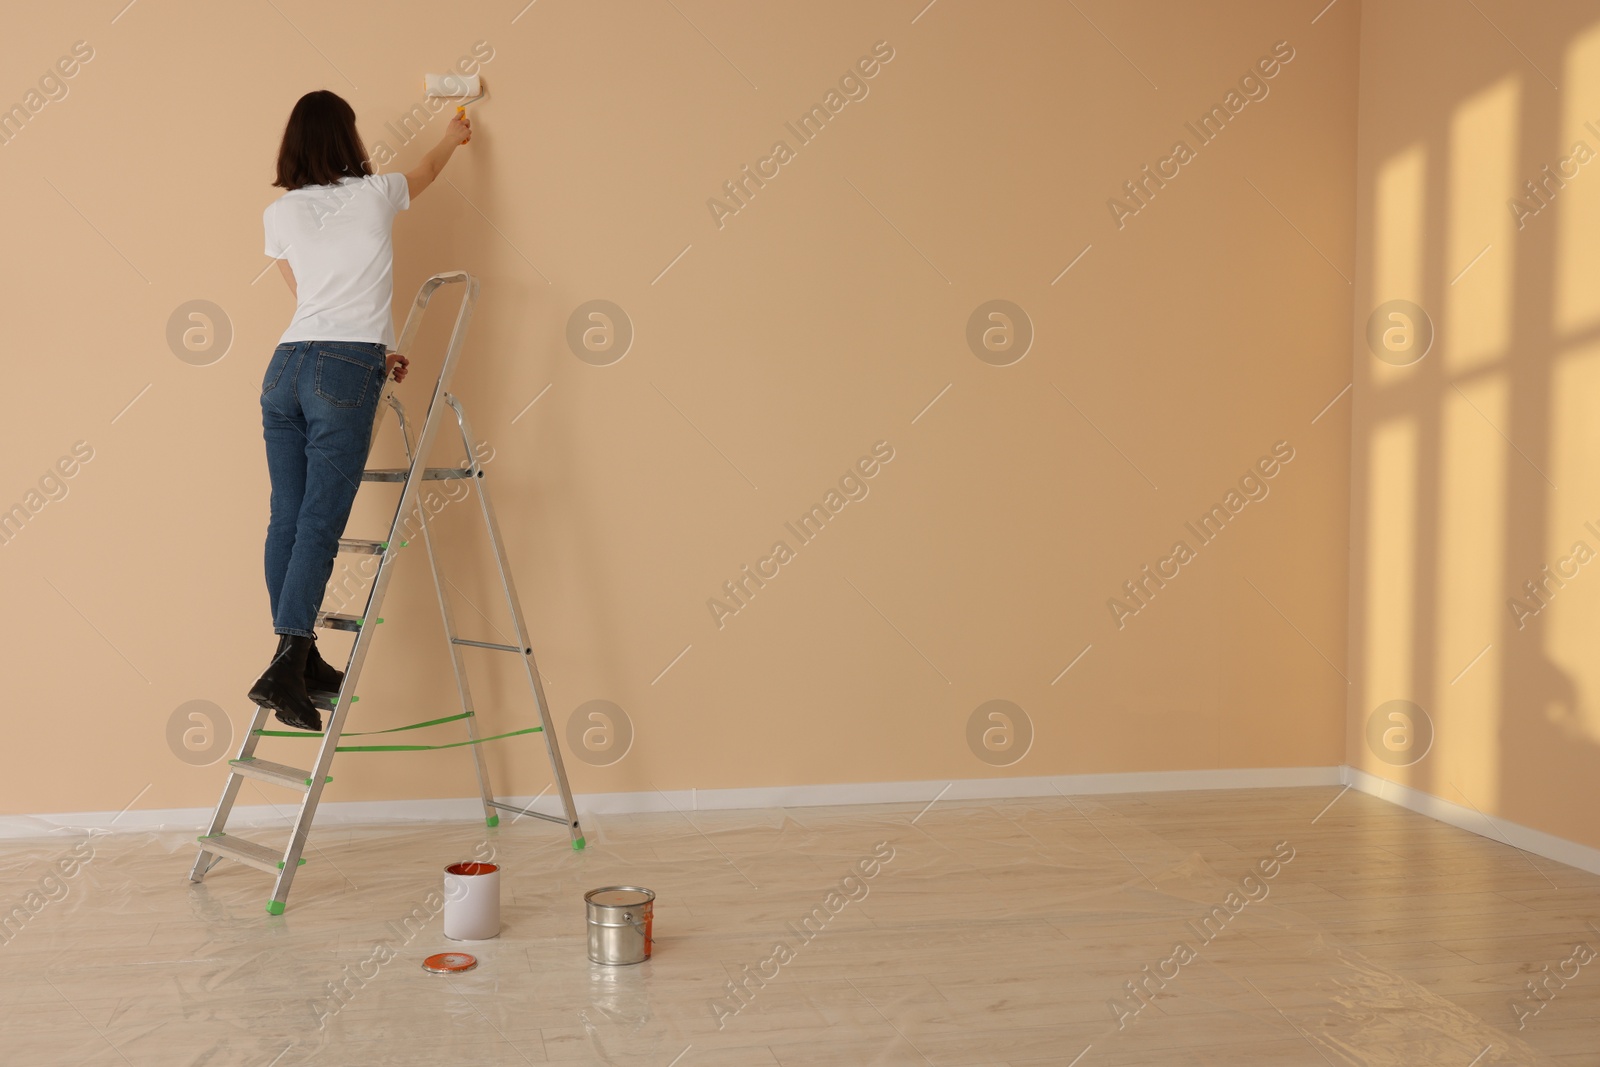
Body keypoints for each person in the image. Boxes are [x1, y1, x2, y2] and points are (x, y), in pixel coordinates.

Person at [249, 89, 471, 731]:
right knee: (320, 520)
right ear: (347, 140)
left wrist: (377, 346)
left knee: (286, 519)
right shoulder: (375, 194)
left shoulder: (280, 212)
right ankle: (289, 661)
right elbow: (427, 170)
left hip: (285, 366)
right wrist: (454, 133)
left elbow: (305, 292)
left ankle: (300, 655)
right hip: (342, 367)